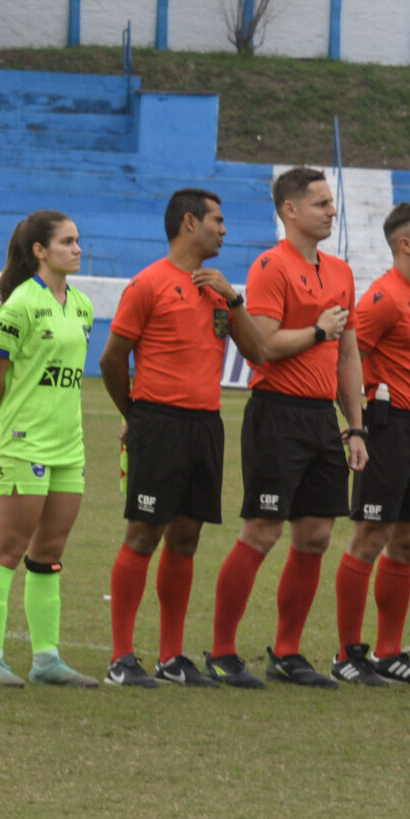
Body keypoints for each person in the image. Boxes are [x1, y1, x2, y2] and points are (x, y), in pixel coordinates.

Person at [206, 166, 368, 690]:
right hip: (277, 411)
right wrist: (318, 329)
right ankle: (223, 651)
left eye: (331, 202)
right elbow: (266, 345)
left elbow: (347, 354)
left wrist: (357, 426)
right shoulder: (270, 267)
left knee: (317, 535)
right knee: (263, 530)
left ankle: (289, 652)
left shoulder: (341, 272)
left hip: (322, 418)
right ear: (290, 211)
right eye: (320, 203)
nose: (332, 211)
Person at [99, 189, 266, 688]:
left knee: (187, 538)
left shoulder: (218, 290)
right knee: (144, 533)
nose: (225, 229)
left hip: (205, 426)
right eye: (218, 219)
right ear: (189, 222)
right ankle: (121, 659)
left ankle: (171, 658)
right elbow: (111, 359)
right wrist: (137, 415)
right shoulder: (148, 283)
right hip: (159, 423)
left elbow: (259, 352)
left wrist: (234, 298)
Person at [0, 211, 98, 687]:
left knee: (49, 552)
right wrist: (8, 427)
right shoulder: (21, 305)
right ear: (40, 250)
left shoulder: (81, 305)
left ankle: (46, 660)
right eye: (67, 241)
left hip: (69, 446)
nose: (77, 248)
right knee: (8, 549)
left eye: (78, 239)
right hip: (25, 444)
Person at [330, 203, 410, 686]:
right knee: (370, 537)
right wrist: (358, 422)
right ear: (405, 244)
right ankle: (347, 654)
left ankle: (389, 651)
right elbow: (348, 355)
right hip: (389, 424)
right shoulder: (382, 297)